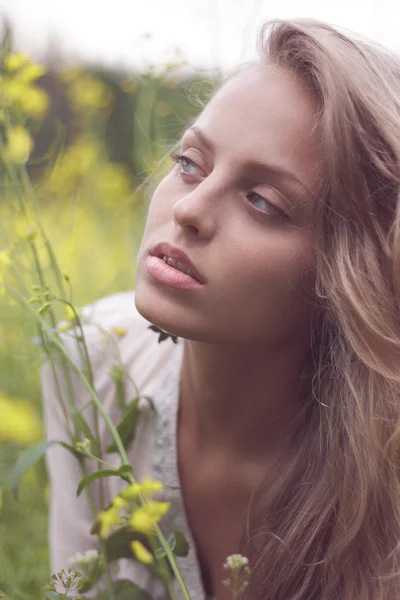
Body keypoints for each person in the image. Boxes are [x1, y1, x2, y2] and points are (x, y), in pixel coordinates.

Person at [41, 17, 400, 600]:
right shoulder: (87, 361)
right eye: (189, 163)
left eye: (262, 201)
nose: (189, 210)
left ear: (350, 275)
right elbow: (72, 586)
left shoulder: (385, 481)